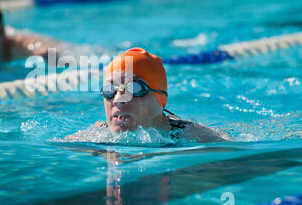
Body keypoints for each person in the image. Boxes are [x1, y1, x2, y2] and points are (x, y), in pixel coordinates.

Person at [66, 47, 230, 143]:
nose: (119, 100)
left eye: (135, 88)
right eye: (110, 90)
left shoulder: (191, 135)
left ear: (161, 99)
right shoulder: (97, 135)